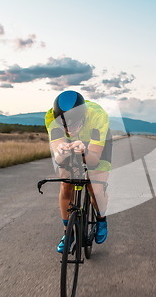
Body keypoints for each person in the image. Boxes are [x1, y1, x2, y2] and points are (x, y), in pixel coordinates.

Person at [45, 90, 112, 253]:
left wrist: (85, 153)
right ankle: (68, 233)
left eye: (72, 125)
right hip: (71, 145)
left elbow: (94, 160)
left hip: (95, 145)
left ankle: (101, 219)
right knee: (65, 182)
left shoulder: (98, 116)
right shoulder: (51, 118)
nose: (68, 129)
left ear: (82, 117)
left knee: (95, 186)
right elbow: (60, 159)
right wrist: (62, 153)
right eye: (64, 125)